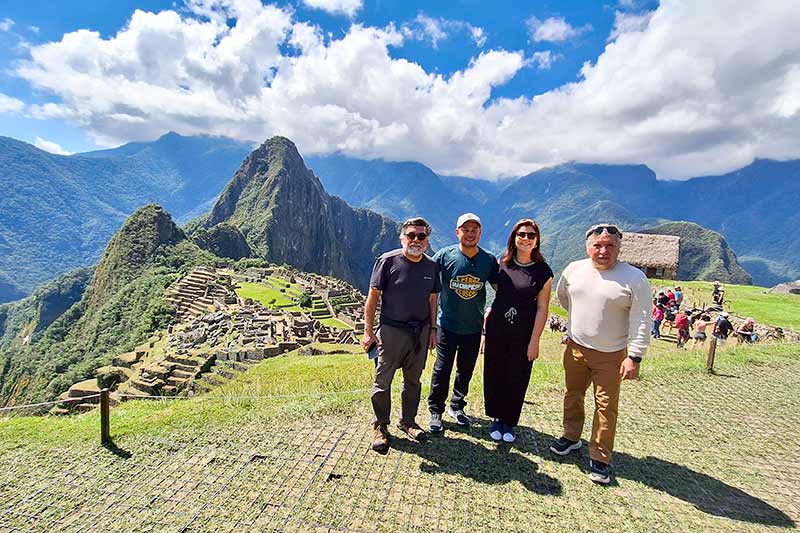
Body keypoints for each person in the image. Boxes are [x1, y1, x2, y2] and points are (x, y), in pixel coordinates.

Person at [551, 223, 650, 484]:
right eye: (597, 245)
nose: (603, 250)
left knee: (606, 406)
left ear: (619, 248)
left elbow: (641, 318)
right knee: (573, 394)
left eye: (610, 246)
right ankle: (571, 437)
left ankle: (600, 456)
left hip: (612, 353)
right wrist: (576, 325)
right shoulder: (574, 269)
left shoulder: (634, 278)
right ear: (587, 247)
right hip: (575, 347)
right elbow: (564, 297)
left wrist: (635, 355)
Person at [363, 217, 441, 453]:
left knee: (413, 380)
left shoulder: (431, 266)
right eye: (411, 235)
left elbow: (433, 299)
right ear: (402, 237)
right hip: (391, 330)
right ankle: (380, 425)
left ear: (427, 241)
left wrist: (433, 330)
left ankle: (408, 421)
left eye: (421, 236)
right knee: (382, 380)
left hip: (420, 332)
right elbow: (373, 297)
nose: (416, 240)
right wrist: (368, 331)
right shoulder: (387, 261)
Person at [427, 213, 499, 432]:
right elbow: (427, 281)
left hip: (474, 326)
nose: (469, 234)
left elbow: (499, 288)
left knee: (465, 369)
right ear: (457, 232)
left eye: (474, 230)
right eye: (465, 229)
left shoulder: (488, 260)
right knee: (442, 369)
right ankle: (436, 410)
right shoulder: (444, 256)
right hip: (447, 324)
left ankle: (457, 406)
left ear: (480, 233)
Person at [483, 219, 552, 443]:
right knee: (495, 373)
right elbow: (499, 293)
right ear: (514, 237)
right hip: (498, 330)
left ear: (537, 240)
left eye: (531, 235)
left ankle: (510, 421)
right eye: (521, 234)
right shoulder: (502, 264)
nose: (526, 238)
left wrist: (535, 340)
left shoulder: (543, 272)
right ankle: (496, 418)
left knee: (518, 375)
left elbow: (542, 308)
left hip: (523, 333)